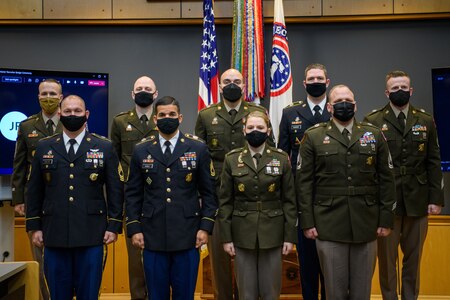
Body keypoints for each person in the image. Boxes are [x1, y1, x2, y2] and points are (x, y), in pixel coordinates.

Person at [296, 84, 396, 299]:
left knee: (362, 292)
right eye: (339, 102)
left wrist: (385, 219)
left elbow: (387, 180)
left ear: (355, 105)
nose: (344, 105)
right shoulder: (313, 136)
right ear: (330, 108)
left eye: (348, 102)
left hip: (366, 223)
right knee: (335, 291)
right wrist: (308, 222)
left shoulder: (374, 135)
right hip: (328, 224)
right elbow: (303, 183)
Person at [25, 95, 124, 299]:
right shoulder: (44, 147)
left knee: (89, 294)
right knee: (58, 294)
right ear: (60, 114)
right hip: (54, 234)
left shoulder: (103, 146)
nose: (73, 115)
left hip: (92, 234)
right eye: (68, 111)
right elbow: (34, 190)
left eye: (77, 111)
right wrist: (34, 226)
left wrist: (114, 225)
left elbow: (115, 189)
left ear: (86, 114)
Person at [125, 96, 217, 300]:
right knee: (156, 295)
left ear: (180, 117)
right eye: (163, 115)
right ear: (155, 119)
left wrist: (205, 227)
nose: (168, 118)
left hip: (188, 235)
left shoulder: (197, 148)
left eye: (172, 114)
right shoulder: (141, 149)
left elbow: (209, 193)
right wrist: (134, 228)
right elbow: (132, 193)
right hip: (152, 235)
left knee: (184, 295)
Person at [364, 70, 444, 300]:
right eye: (395, 88)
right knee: (387, 262)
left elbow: (433, 161)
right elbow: (369, 166)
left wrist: (435, 198)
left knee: (413, 259)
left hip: (418, 200)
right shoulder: (373, 121)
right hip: (387, 202)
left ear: (411, 90)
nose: (400, 91)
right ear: (387, 92)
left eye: (404, 87)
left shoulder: (425, 119)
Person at [195, 68, 274, 300]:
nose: (232, 85)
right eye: (227, 81)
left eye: (237, 81)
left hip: (250, 197)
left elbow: (270, 152)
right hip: (217, 196)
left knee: (246, 257)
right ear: (219, 86)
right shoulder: (206, 115)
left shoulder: (257, 113)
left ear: (244, 85)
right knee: (219, 257)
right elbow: (199, 159)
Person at [219, 111, 297, 299]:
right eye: (251, 127)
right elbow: (225, 202)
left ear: (268, 130)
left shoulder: (280, 158)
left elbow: (289, 201)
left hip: (273, 233)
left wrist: (289, 237)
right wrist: (226, 238)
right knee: (246, 292)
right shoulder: (232, 159)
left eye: (260, 127)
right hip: (242, 233)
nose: (256, 131)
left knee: (271, 291)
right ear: (244, 131)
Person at [278, 63, 330, 300]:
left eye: (320, 78)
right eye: (312, 78)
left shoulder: (336, 109)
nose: (316, 81)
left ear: (327, 82)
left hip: (332, 194)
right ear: (304, 83)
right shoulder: (290, 113)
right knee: (307, 263)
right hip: (302, 195)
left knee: (331, 264)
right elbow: (283, 154)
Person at [11, 78, 63, 300]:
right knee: (40, 257)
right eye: (44, 94)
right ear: (38, 96)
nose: (49, 98)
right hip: (36, 202)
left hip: (63, 198)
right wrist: (18, 199)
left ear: (61, 97)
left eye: (53, 93)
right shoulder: (27, 126)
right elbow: (19, 165)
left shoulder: (71, 121)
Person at [110, 75, 159, 299]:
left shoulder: (163, 118)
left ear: (155, 94)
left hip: (159, 199)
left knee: (159, 261)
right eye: (139, 88)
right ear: (132, 94)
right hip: (132, 200)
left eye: (148, 88)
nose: (143, 91)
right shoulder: (120, 122)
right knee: (135, 263)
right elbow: (114, 164)